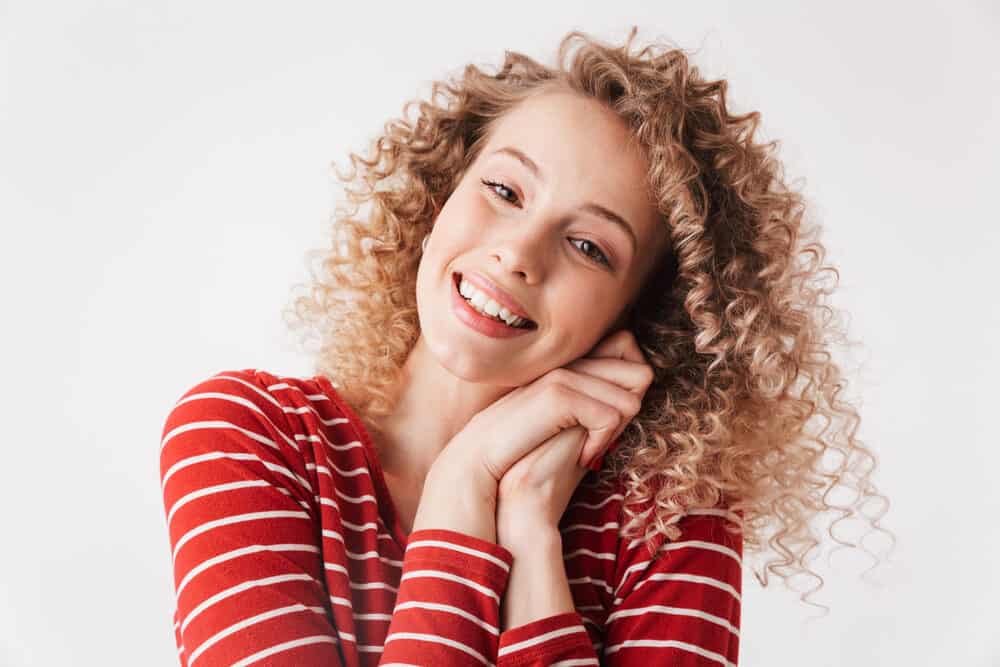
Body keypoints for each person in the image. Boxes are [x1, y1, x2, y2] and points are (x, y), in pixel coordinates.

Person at [159, 27, 889, 666]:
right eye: (506, 191)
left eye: (587, 245)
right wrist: (461, 487)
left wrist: (533, 533)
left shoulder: (666, 516)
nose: (518, 252)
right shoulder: (244, 434)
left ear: (640, 310)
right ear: (441, 190)